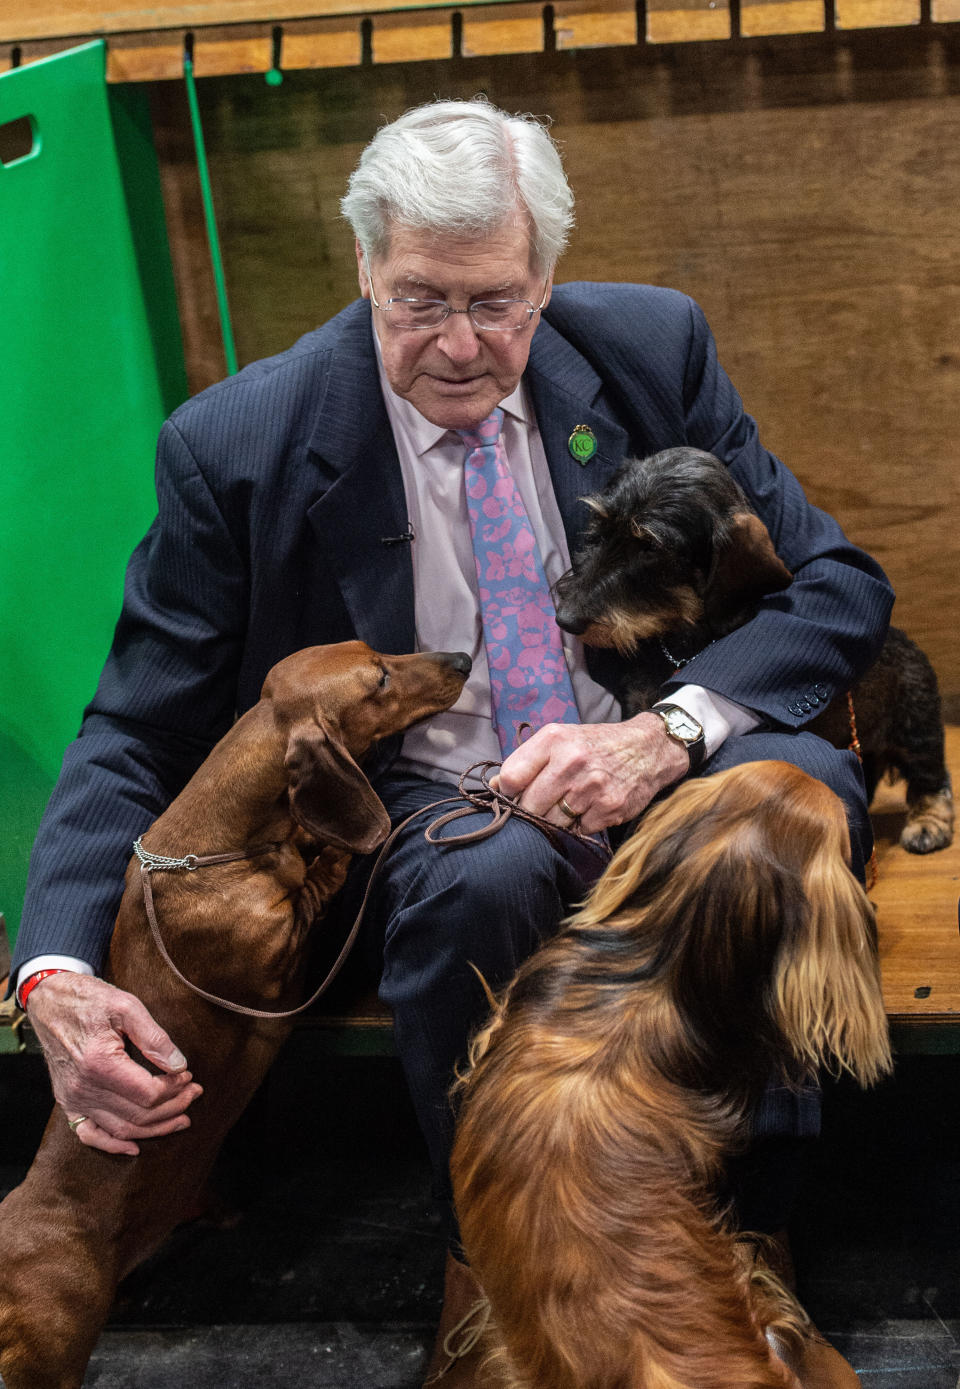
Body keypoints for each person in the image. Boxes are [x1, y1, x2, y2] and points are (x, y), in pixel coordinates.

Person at [10, 98, 892, 1386]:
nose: (467, 347)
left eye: (501, 302)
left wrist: (667, 732)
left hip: (660, 755)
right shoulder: (239, 444)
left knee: (778, 807)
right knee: (489, 875)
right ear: (363, 264)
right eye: (422, 301)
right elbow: (138, 728)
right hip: (439, 803)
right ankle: (492, 1252)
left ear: (546, 278)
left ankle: (741, 1230)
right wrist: (50, 968)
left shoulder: (651, 348)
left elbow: (838, 588)